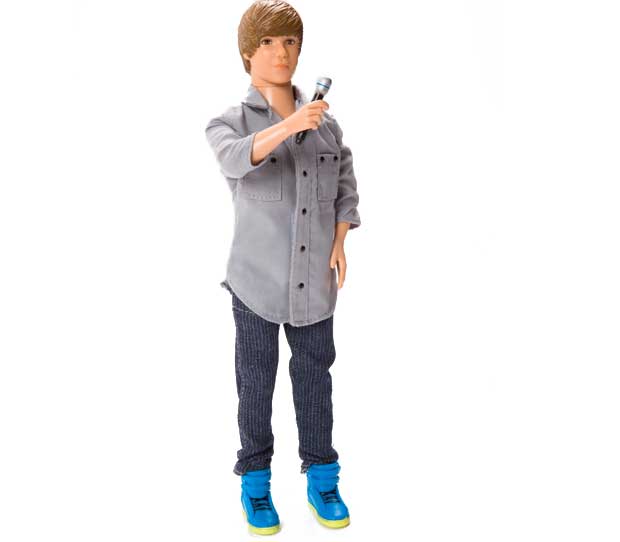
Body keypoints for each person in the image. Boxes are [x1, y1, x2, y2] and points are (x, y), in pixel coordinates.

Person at [204, 0, 361, 534]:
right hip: (256, 283)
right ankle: (255, 483)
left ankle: (322, 477)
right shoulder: (228, 123)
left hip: (315, 282)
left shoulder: (326, 128)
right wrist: (291, 123)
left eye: (290, 41)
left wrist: (340, 241)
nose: (281, 52)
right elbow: (236, 158)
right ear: (248, 53)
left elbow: (345, 187)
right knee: (256, 384)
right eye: (268, 42)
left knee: (315, 381)